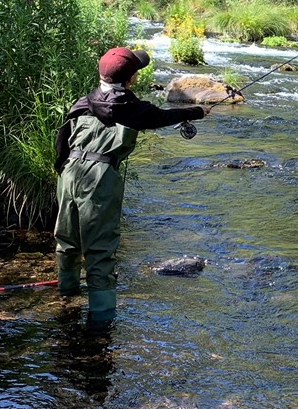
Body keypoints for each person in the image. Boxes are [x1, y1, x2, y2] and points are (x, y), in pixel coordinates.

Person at [53, 46, 210, 324]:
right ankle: (101, 322)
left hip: (68, 173)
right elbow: (164, 117)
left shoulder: (82, 102)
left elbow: (61, 142)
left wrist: (64, 175)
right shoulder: (132, 109)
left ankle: (66, 299)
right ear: (130, 79)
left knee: (66, 241)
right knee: (100, 250)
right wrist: (198, 111)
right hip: (99, 177)